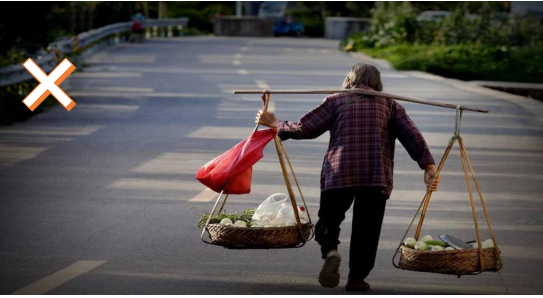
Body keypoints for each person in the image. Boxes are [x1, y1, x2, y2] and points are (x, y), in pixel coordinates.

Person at [255, 63, 441, 292]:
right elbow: (412, 136)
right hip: (375, 177)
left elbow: (305, 128)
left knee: (329, 220)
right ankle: (356, 279)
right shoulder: (390, 104)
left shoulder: (336, 101)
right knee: (367, 230)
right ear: (377, 82)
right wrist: (428, 166)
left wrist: (275, 124)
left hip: (338, 174)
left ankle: (331, 251)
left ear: (349, 80)